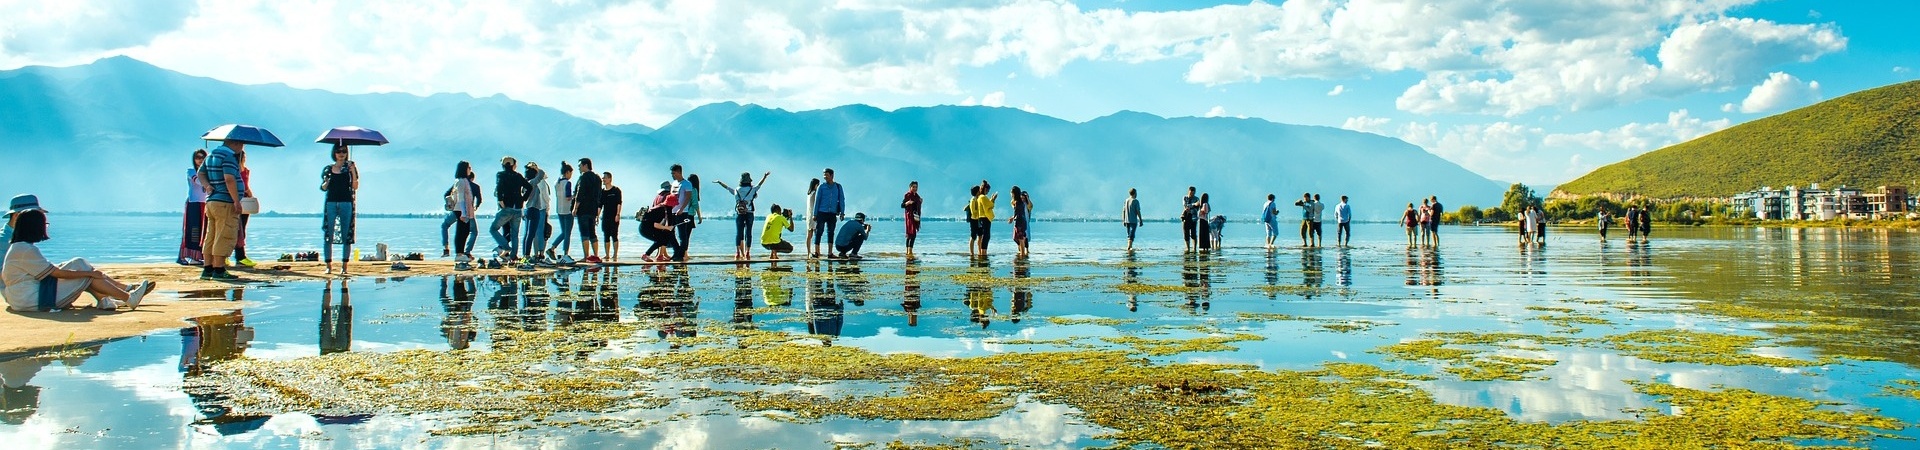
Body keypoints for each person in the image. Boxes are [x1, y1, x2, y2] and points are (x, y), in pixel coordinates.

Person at [3, 205, 154, 311]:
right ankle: (128, 297)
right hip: (32, 299)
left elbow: (48, 270)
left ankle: (106, 299)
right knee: (83, 269)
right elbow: (56, 273)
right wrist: (89, 273)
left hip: (25, 296)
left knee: (79, 263)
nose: (46, 228)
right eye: (45, 225)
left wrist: (87, 272)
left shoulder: (20, 247)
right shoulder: (24, 249)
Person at [199, 139, 246, 281]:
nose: (242, 147)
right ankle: (219, 269)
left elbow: (201, 174)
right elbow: (229, 179)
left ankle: (208, 268)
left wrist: (207, 186)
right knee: (224, 234)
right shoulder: (228, 157)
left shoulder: (211, 155)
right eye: (242, 144)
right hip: (225, 201)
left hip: (212, 201)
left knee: (211, 235)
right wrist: (236, 201)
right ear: (235, 143)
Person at [320, 145, 359, 274]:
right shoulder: (328, 169)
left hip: (346, 202)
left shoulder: (349, 168)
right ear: (334, 153)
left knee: (346, 234)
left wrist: (353, 171)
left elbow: (355, 186)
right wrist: (327, 181)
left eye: (344, 151)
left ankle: (344, 267)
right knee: (328, 234)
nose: (341, 154)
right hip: (331, 203)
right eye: (338, 151)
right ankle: (328, 266)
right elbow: (324, 187)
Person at [715, 171, 771, 260]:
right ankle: (747, 253)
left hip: (739, 214)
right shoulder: (752, 189)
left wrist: (720, 182)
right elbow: (760, 184)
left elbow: (727, 188)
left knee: (739, 233)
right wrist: (764, 177)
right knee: (748, 233)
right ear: (749, 180)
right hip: (749, 213)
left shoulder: (737, 189)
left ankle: (737, 253)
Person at [490, 157, 530, 261]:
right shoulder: (518, 176)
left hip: (507, 207)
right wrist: (523, 199)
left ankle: (505, 247)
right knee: (515, 234)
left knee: (493, 229)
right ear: (513, 165)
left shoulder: (501, 175)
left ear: (503, 165)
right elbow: (529, 187)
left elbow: (499, 187)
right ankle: (513, 256)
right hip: (518, 208)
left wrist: (500, 200)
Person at [179, 150, 209, 266]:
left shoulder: (208, 172)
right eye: (198, 157)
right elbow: (199, 182)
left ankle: (201, 255)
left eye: (203, 157)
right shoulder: (191, 171)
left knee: (204, 230)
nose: (200, 160)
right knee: (193, 230)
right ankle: (191, 256)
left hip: (205, 203)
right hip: (194, 203)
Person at [449, 161, 481, 267]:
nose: (470, 170)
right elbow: (461, 198)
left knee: (465, 231)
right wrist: (463, 213)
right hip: (461, 209)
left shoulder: (462, 181)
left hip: (464, 209)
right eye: (469, 168)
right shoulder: (462, 181)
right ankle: (459, 253)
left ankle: (461, 253)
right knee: (462, 231)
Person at [574, 159, 604, 263]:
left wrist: (575, 207)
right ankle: (596, 256)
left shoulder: (583, 177)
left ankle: (586, 256)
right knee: (592, 233)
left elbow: (580, 193)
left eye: (580, 166)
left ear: (585, 165)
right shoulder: (597, 178)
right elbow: (599, 194)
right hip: (593, 209)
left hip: (583, 209)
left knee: (584, 232)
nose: (579, 168)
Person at [811, 169, 845, 259]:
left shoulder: (838, 187)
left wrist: (842, 212)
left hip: (832, 213)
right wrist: (815, 214)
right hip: (821, 212)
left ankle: (830, 253)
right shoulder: (821, 187)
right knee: (819, 232)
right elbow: (817, 201)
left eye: (826, 175)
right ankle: (817, 252)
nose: (824, 177)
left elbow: (842, 199)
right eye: (824, 175)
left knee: (831, 232)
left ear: (832, 175)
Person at [546, 162, 576, 263]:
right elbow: (568, 197)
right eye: (570, 173)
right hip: (567, 210)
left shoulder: (556, 182)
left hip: (559, 210)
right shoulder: (567, 183)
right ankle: (565, 254)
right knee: (567, 233)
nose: (571, 176)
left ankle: (552, 248)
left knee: (564, 232)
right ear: (567, 172)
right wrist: (575, 196)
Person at [638, 190, 678, 263]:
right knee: (661, 240)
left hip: (649, 227)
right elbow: (655, 224)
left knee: (664, 237)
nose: (675, 205)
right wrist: (667, 228)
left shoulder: (665, 208)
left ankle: (660, 256)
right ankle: (646, 255)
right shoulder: (661, 210)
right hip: (645, 229)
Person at [522, 162, 550, 265]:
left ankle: (526, 254)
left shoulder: (526, 182)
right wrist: (537, 169)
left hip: (528, 209)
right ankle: (527, 255)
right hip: (535, 209)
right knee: (532, 234)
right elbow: (542, 173)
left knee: (528, 234)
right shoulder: (533, 182)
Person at [231, 153, 256, 268]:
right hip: (237, 199)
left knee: (242, 229)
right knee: (235, 229)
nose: (245, 159)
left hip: (245, 199)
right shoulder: (234, 170)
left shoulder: (246, 170)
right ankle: (238, 256)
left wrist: (251, 196)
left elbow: (246, 185)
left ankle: (240, 256)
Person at [668, 166, 694, 262]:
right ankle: (677, 251)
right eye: (672, 173)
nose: (672, 175)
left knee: (682, 235)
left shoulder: (687, 184)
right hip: (672, 211)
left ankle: (680, 254)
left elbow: (688, 198)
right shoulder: (674, 183)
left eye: (673, 173)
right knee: (670, 232)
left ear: (679, 172)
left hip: (682, 212)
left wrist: (682, 209)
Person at [601, 171, 623, 261]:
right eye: (603, 178)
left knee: (614, 235)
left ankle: (615, 254)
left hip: (614, 215)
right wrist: (597, 216)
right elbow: (600, 205)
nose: (603, 179)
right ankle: (607, 255)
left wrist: (618, 214)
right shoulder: (602, 192)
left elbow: (619, 203)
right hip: (605, 216)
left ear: (609, 179)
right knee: (606, 235)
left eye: (605, 178)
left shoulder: (616, 190)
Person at [971, 180, 998, 256]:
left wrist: (992, 200)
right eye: (988, 190)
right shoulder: (983, 197)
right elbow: (990, 205)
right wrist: (993, 199)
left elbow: (987, 205)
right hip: (985, 218)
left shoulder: (980, 197)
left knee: (985, 236)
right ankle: (983, 253)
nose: (988, 192)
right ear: (985, 189)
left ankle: (982, 252)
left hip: (982, 218)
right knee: (986, 236)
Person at [900, 181, 921, 257]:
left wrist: (920, 201)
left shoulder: (917, 196)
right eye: (913, 187)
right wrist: (907, 203)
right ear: (910, 187)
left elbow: (917, 204)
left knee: (913, 234)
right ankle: (909, 252)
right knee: (910, 234)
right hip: (909, 217)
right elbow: (902, 205)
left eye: (916, 187)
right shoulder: (907, 195)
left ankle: (909, 252)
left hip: (915, 217)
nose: (915, 188)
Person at [1008, 187, 1030, 256]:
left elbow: (1016, 213)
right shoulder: (1021, 203)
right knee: (1016, 238)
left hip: (1019, 223)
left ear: (1014, 194)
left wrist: (1012, 219)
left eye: (1011, 193)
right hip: (1022, 222)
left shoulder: (1018, 203)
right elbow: (1018, 213)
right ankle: (1022, 252)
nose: (1011, 195)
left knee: (1020, 239)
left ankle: (1022, 254)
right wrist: (1013, 218)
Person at [805, 178, 821, 256]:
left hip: (808, 216)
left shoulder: (809, 193)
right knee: (816, 234)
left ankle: (809, 252)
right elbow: (815, 205)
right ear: (816, 185)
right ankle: (817, 251)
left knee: (809, 235)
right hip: (814, 216)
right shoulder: (814, 193)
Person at [1181, 187, 1199, 251]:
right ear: (1188, 191)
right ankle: (1187, 248)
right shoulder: (1185, 197)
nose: (1192, 194)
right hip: (1186, 218)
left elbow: (1197, 208)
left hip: (1194, 218)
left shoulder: (1197, 198)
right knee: (1186, 234)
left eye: (1193, 193)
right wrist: (1194, 204)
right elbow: (1186, 206)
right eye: (1191, 193)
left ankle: (1194, 248)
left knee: (1193, 234)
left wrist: (1192, 206)